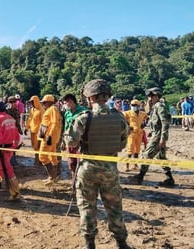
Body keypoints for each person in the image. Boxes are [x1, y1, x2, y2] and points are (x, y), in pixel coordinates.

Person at [64, 79, 131, 249]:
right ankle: (121, 242)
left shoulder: (84, 118)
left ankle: (89, 243)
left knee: (87, 207)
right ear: (107, 96)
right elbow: (122, 144)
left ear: (90, 98)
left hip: (88, 169)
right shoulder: (119, 117)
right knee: (115, 207)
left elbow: (71, 143)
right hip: (110, 169)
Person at [130, 87, 174, 187]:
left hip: (158, 136)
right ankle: (169, 178)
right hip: (156, 133)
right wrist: (152, 131)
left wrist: (163, 138)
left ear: (157, 96)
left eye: (151, 96)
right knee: (161, 156)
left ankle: (140, 177)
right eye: (149, 96)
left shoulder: (160, 106)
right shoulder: (155, 106)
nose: (149, 98)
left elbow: (165, 122)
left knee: (147, 155)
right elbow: (157, 122)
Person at [61, 93, 87, 182]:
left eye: (65, 103)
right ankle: (73, 180)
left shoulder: (83, 112)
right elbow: (66, 127)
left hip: (80, 142)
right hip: (69, 142)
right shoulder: (67, 113)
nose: (64, 105)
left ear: (71, 101)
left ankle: (80, 182)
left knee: (80, 163)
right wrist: (63, 141)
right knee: (71, 163)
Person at [38, 94, 62, 187]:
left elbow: (55, 123)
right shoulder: (52, 109)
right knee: (52, 157)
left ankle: (52, 177)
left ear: (49, 102)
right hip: (50, 136)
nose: (43, 104)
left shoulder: (52, 109)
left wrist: (50, 136)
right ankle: (54, 177)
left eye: (44, 102)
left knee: (42, 157)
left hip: (49, 137)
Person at [123, 99, 148, 171]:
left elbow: (147, 118)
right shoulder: (127, 113)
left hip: (139, 133)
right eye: (132, 105)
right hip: (131, 133)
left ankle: (135, 165)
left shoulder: (142, 113)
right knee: (130, 149)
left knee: (137, 150)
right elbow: (122, 119)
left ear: (138, 106)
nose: (134, 106)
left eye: (135, 105)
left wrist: (144, 124)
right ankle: (127, 166)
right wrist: (127, 126)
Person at [24, 96, 43, 166]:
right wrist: (26, 128)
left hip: (38, 132)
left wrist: (42, 132)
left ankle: (38, 161)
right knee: (34, 146)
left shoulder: (41, 110)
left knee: (38, 146)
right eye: (31, 102)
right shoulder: (32, 110)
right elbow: (29, 119)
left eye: (32, 102)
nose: (31, 103)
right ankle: (37, 160)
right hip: (32, 131)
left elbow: (43, 122)